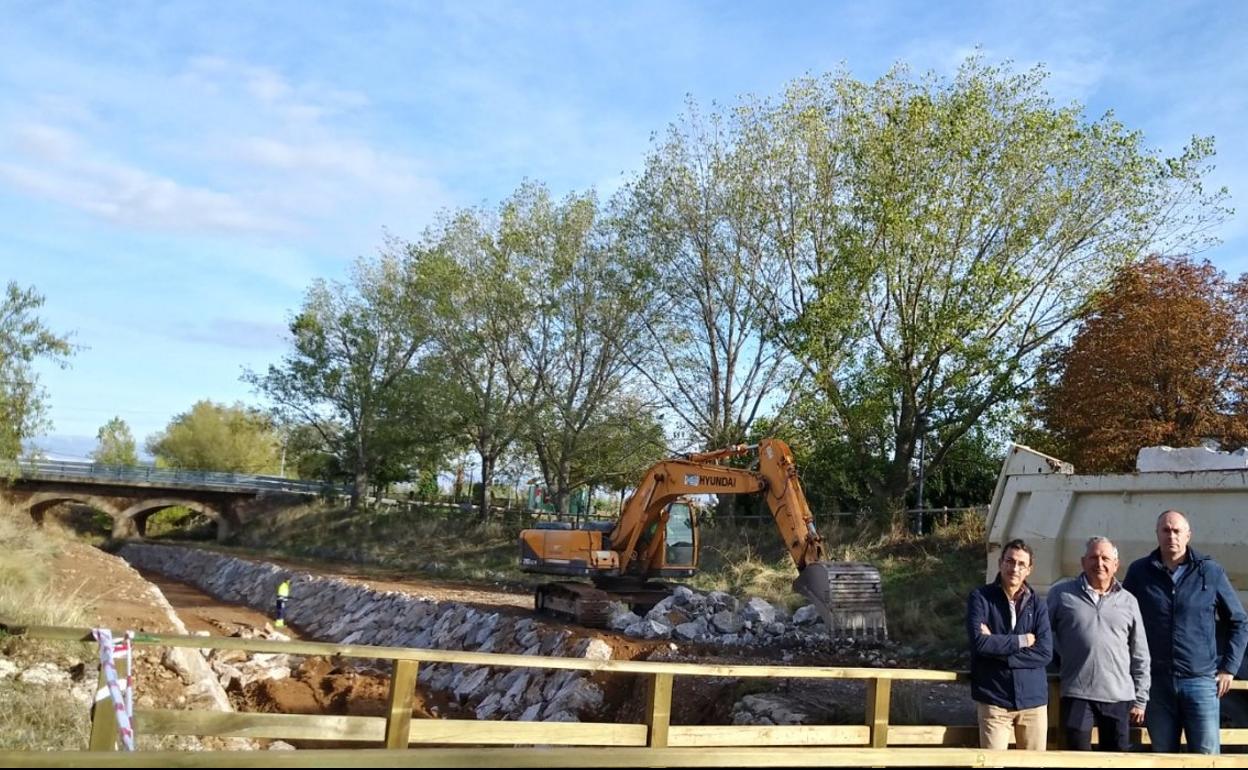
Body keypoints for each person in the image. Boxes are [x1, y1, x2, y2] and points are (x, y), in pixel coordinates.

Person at [1124, 510, 1248, 754]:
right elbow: (1123, 622)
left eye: (1177, 531)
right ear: (1157, 534)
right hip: (1156, 683)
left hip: (1200, 681)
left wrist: (1229, 668)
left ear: (1188, 535)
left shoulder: (1209, 572)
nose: (1172, 535)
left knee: (1206, 757)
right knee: (1163, 756)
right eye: (1166, 530)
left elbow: (1239, 621)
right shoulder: (1140, 572)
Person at [1048, 536, 1149, 751]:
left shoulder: (1129, 601)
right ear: (1083, 562)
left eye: (1105, 558)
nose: (1099, 563)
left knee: (1116, 761)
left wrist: (1141, 698)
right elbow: (1042, 636)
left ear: (1116, 565)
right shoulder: (1061, 595)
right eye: (1093, 557)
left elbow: (1140, 652)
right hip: (1077, 693)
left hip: (1118, 696)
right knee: (1078, 759)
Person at [967, 538, 1053, 751]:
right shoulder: (981, 597)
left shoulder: (1038, 604)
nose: (1015, 568)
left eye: (1021, 564)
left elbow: (1044, 653)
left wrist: (997, 649)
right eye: (1010, 561)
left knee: (1034, 767)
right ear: (1000, 563)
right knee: (992, 764)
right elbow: (979, 643)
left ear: (1029, 569)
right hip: (994, 700)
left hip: (1033, 702)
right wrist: (1021, 641)